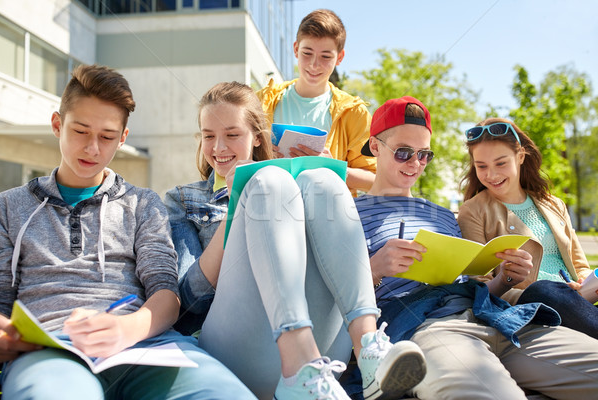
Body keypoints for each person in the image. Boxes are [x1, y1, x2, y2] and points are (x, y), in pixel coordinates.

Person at [0, 65, 255, 400]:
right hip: (51, 351)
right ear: (57, 125)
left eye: (106, 137)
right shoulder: (6, 208)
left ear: (122, 138)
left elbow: (165, 292)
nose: (92, 148)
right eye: (80, 132)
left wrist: (126, 329)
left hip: (144, 344)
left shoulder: (143, 203)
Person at [165, 82, 426, 400]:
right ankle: (297, 365)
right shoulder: (183, 199)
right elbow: (187, 303)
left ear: (257, 137)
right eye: (209, 135)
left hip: (327, 354)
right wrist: (238, 204)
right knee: (268, 181)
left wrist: (324, 170)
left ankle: (369, 347)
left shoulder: (289, 183)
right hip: (238, 348)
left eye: (232, 134)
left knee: (323, 179)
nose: (219, 146)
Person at [352, 96, 598, 399]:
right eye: (404, 152)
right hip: (428, 328)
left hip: (497, 316)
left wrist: (504, 278)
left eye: (424, 155)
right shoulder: (349, 213)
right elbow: (331, 297)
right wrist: (375, 268)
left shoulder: (442, 215)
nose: (415, 164)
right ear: (375, 147)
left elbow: (473, 283)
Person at [458, 118, 598, 339]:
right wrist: (505, 278)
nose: (491, 175)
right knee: (544, 289)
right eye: (481, 166)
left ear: (520, 156)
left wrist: (584, 282)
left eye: (501, 163)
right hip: (529, 304)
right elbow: (479, 287)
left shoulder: (554, 204)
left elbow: (580, 265)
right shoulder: (473, 211)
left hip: (576, 302)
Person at [257, 9, 376, 196]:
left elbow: (374, 180)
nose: (314, 64)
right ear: (296, 49)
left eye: (326, 57)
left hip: (327, 215)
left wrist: (332, 168)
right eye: (307, 53)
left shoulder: (353, 112)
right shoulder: (262, 101)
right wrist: (261, 157)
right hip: (272, 207)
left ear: (340, 57)